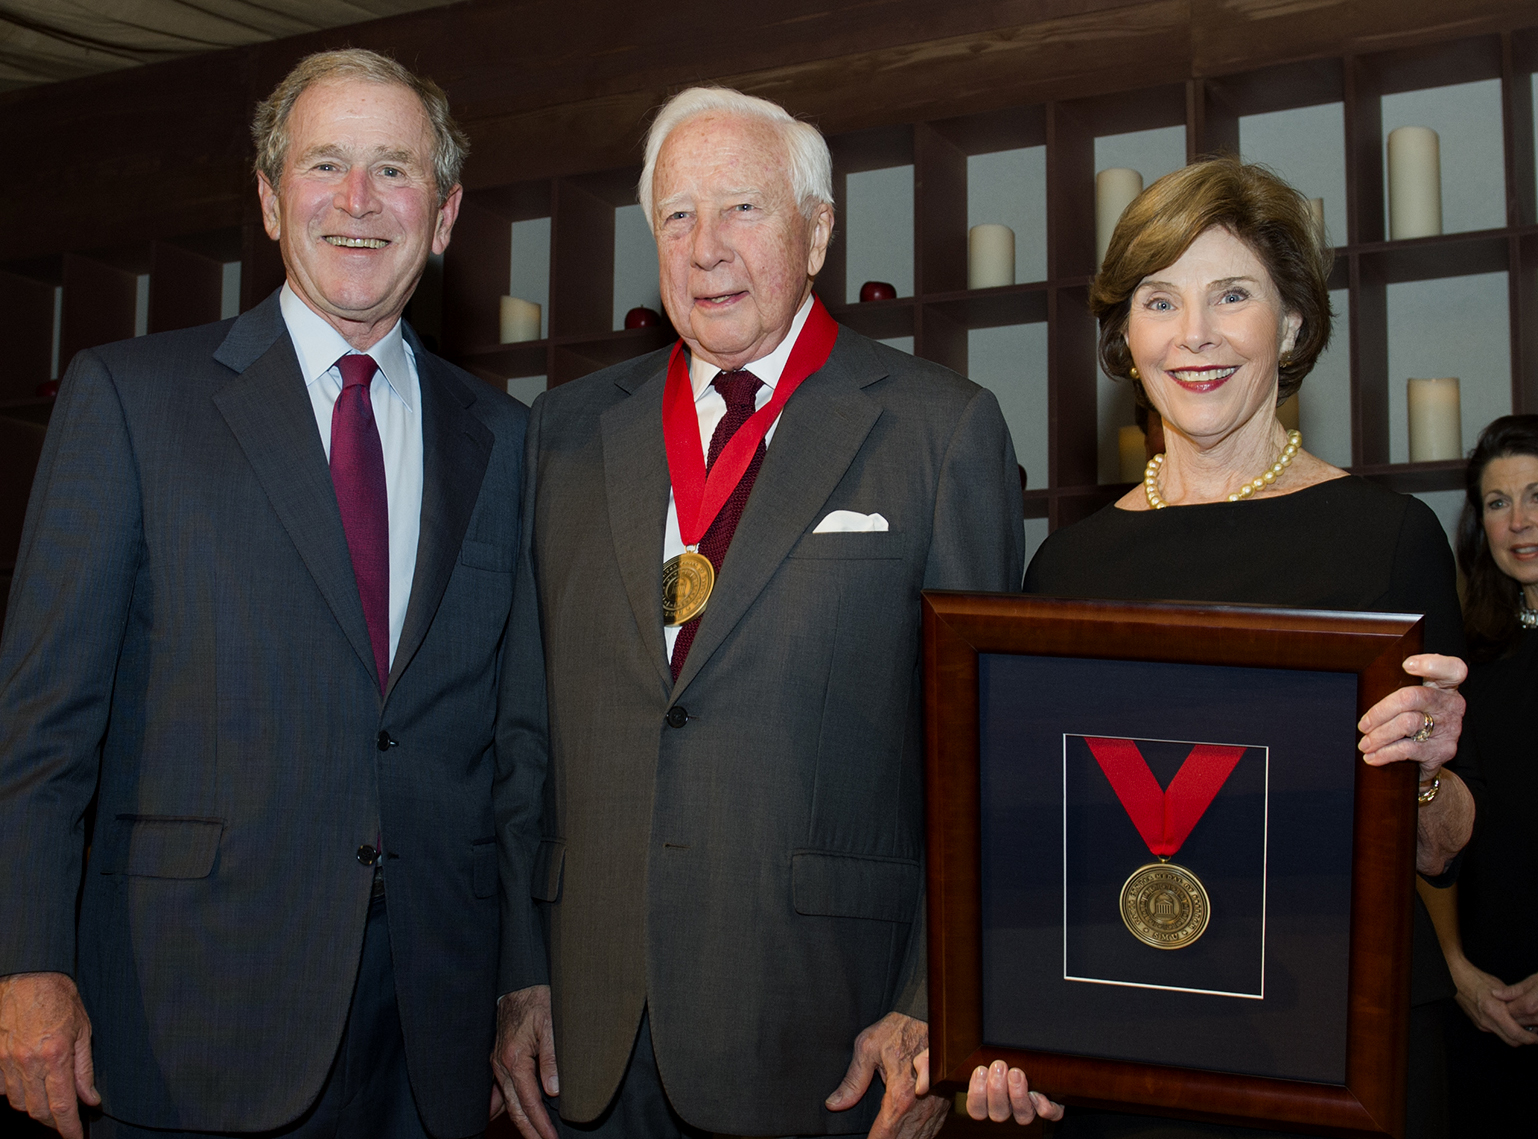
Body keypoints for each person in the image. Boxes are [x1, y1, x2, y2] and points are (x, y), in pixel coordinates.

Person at [490, 86, 1061, 1139]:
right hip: (587, 1029)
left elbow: (983, 751)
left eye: (741, 209)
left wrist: (935, 1000)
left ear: (818, 231)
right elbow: (523, 730)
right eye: (674, 216)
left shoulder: (937, 430)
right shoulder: (564, 433)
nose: (704, 248)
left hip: (828, 1027)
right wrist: (518, 972)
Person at [0, 49, 536, 1139]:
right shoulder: (131, 400)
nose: (355, 201)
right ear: (266, 197)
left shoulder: (508, 437)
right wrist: (25, 967)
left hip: (428, 1031)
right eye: (324, 164)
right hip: (184, 1011)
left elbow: (515, 746)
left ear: (441, 217)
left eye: (393, 170)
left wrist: (521, 979)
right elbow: (40, 727)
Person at [964, 156, 1474, 1137]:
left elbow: (1441, 848)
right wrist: (1012, 1029)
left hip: (1334, 1052)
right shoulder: (1064, 568)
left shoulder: (1389, 538)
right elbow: (1037, 860)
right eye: (1159, 301)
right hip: (1127, 1046)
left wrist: (1423, 768)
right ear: (1124, 336)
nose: (1192, 335)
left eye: (1229, 294)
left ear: (1287, 324)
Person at [1418, 415, 1538, 1137]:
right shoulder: (1467, 669)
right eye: (1498, 502)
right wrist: (1456, 969)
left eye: (1535, 495)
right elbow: (1428, 840)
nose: (1519, 521)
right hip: (1480, 1000)